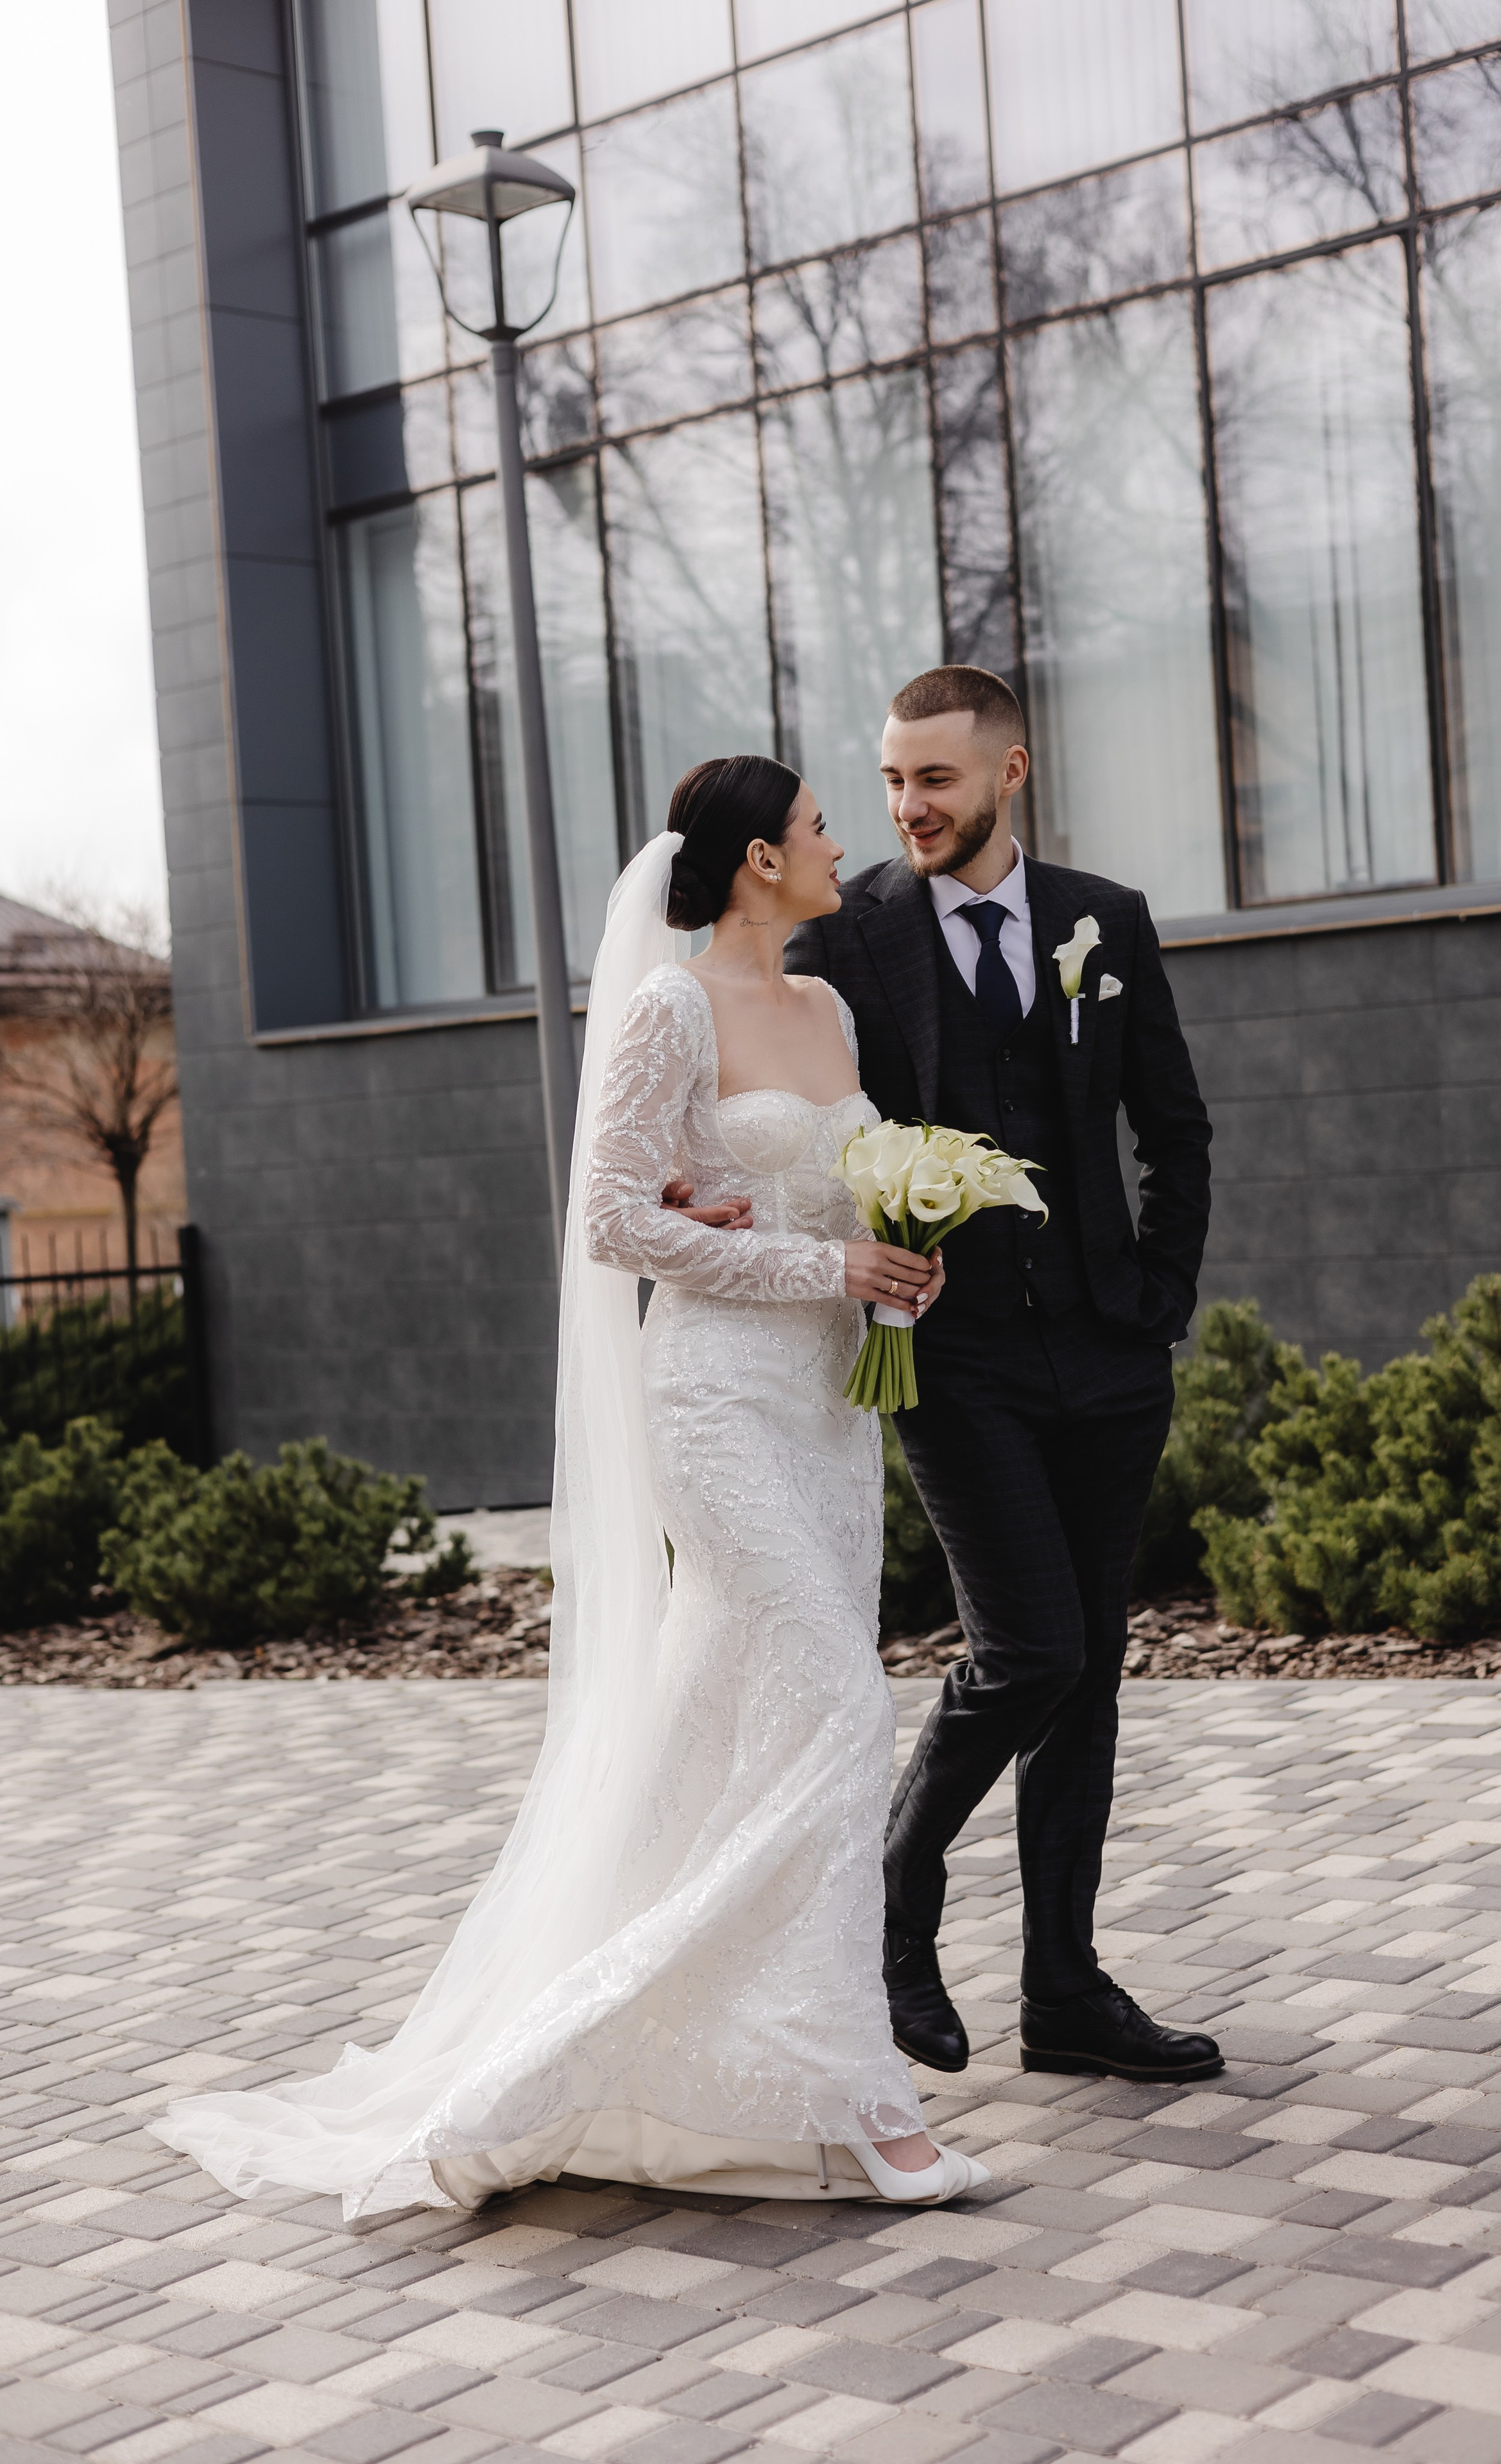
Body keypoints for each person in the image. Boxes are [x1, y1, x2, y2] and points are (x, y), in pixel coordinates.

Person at [150, 755, 989, 2217]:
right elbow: (611, 1220)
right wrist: (814, 1259)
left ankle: (660, 2055)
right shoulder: (668, 1007)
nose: (836, 840)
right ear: (755, 858)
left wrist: (900, 1257)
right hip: (717, 1400)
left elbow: (820, 1195)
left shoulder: (829, 1008)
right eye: (814, 825)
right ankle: (859, 2096)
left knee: (725, 1727)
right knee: (845, 1707)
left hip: (827, 1411)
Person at [784, 666, 1221, 2084]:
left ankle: (1064, 1992)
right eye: (891, 781)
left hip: (1107, 1352)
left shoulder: (1107, 920)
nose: (907, 807)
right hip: (953, 1356)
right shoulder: (843, 938)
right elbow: (793, 1123)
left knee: (1086, 1676)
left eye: (936, 780)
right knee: (1029, 1650)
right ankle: (896, 1897)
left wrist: (1156, 1300)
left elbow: (1175, 1129)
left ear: (1008, 773)